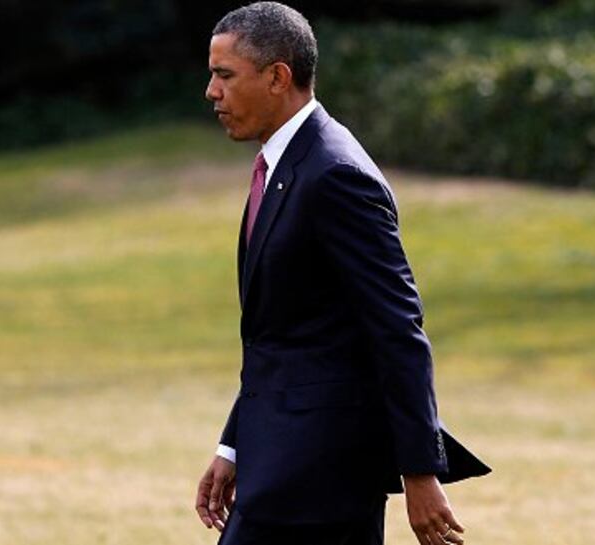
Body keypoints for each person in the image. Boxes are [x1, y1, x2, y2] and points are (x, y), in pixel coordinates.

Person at [194, 4, 490, 545]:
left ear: (278, 76)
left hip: (320, 471)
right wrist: (233, 445)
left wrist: (420, 472)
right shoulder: (284, 165)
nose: (212, 91)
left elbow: (397, 329)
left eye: (224, 75)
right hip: (282, 460)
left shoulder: (336, 175)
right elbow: (283, 335)